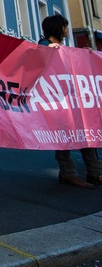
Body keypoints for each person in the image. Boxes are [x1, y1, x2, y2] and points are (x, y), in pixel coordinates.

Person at [39, 14, 102, 189]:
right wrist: (49, 50)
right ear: (58, 28)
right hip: (58, 101)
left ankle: (95, 172)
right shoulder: (44, 45)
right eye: (65, 27)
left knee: (86, 133)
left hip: (74, 100)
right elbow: (38, 60)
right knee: (63, 136)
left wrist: (86, 55)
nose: (67, 30)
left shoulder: (65, 48)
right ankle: (68, 174)